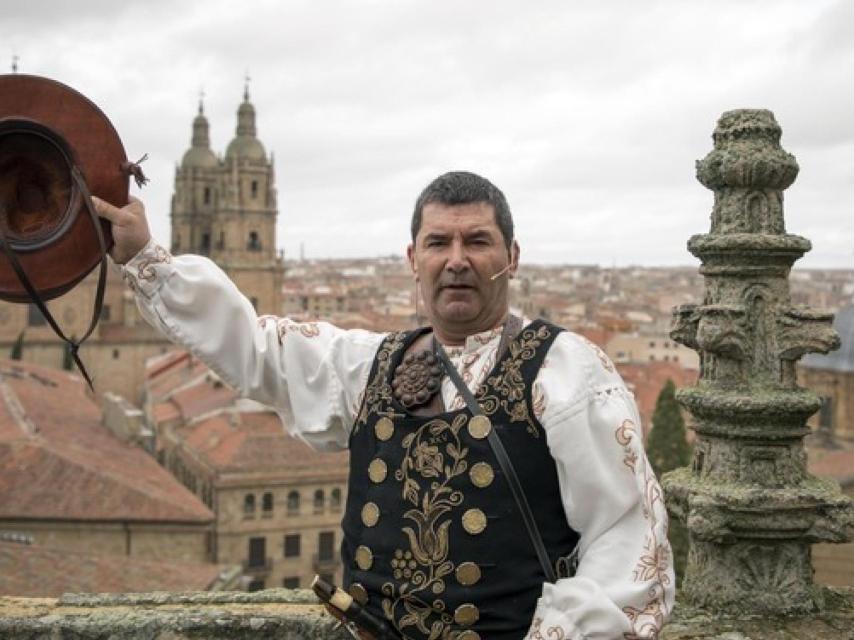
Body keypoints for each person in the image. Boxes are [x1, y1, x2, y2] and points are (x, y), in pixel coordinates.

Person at [94, 171, 674, 639]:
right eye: (438, 243)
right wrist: (146, 257)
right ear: (412, 258)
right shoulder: (369, 363)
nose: (456, 259)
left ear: (512, 256)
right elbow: (256, 348)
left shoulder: (567, 372)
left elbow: (627, 541)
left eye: (477, 241)